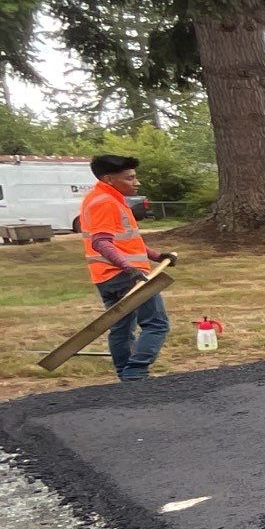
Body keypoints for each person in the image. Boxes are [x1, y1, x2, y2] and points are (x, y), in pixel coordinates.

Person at [80, 154, 171, 382]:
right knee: (156, 324)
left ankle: (125, 377)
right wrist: (129, 268)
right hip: (125, 276)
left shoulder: (102, 198)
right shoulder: (105, 202)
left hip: (106, 277)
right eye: (130, 178)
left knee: (121, 327)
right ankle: (136, 371)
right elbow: (101, 242)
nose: (136, 183)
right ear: (109, 179)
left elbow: (126, 241)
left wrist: (156, 256)